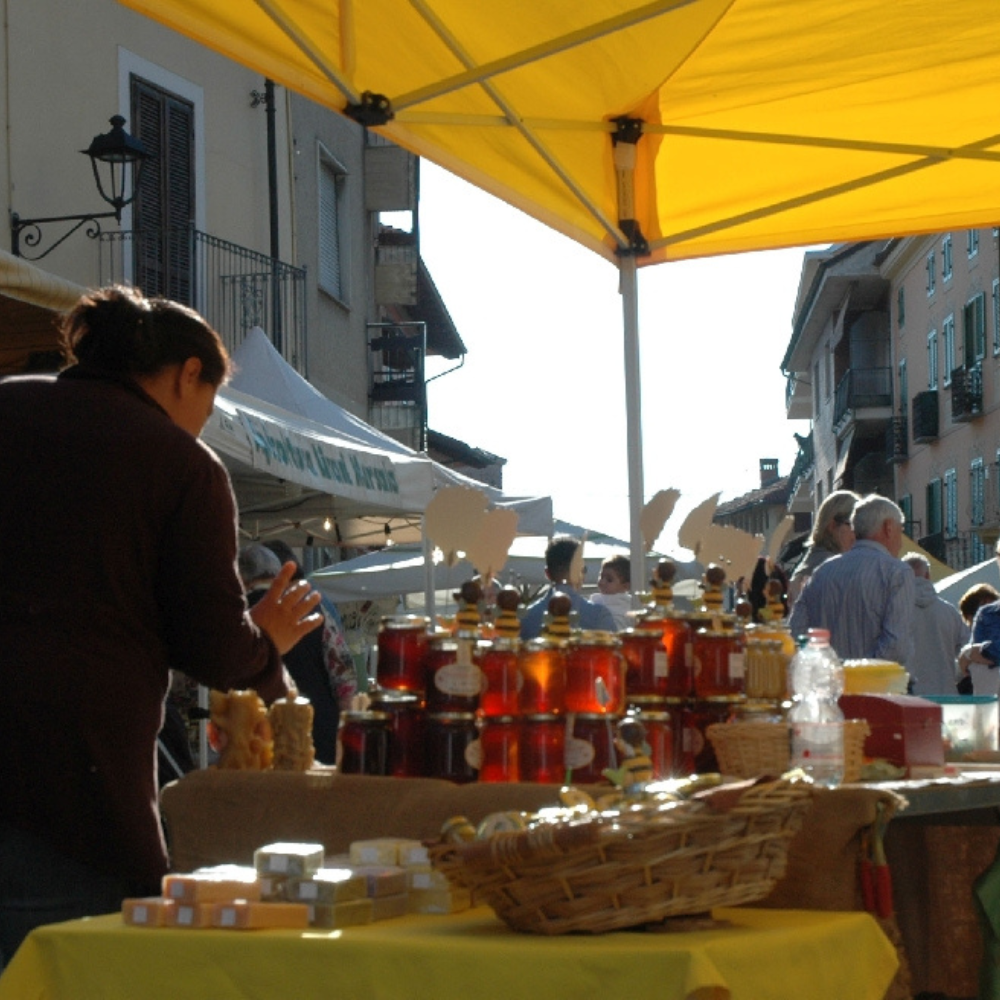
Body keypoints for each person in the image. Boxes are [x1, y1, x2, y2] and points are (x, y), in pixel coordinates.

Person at [0, 285, 322, 967]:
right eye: (209, 400)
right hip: (71, 777)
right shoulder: (179, 465)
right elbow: (212, 645)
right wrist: (267, 644)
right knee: (62, 964)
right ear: (188, 374)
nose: (204, 420)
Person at [788, 494, 914, 665]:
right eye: (901, 530)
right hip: (876, 686)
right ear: (888, 527)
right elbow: (896, 647)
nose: (901, 543)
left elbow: (796, 632)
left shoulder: (821, 572)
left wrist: (830, 670)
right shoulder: (897, 573)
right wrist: (860, 674)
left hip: (830, 685)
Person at [265, 539, 360, 710]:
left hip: (284, 720)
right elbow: (344, 675)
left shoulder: (272, 611)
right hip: (320, 718)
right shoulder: (319, 603)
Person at [520, 536, 616, 639]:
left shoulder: (526, 617)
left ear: (547, 574)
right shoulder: (599, 615)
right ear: (580, 572)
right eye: (584, 569)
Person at [902, 552, 969, 695]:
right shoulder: (950, 612)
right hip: (946, 693)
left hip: (909, 695)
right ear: (928, 576)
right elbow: (967, 652)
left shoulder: (895, 612)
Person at [787, 490, 861, 605]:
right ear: (832, 526)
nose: (858, 533)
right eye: (853, 525)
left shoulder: (809, 566)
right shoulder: (834, 570)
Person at [957, 581, 1000, 693]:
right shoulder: (986, 613)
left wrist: (973, 652)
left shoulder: (986, 614)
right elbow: (976, 664)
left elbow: (975, 656)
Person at [590, 554, 633, 630]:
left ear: (625, 586)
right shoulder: (596, 600)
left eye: (609, 580)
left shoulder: (627, 606)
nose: (602, 582)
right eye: (601, 576)